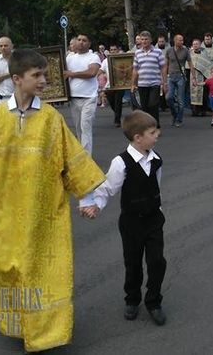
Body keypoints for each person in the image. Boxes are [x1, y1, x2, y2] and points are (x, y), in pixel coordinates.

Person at [0, 49, 105, 352]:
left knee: (42, 272)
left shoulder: (51, 119)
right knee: (2, 268)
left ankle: (46, 333)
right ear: (17, 79)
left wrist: (87, 198)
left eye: (45, 74)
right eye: (36, 75)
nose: (44, 80)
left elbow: (72, 161)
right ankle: (17, 324)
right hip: (5, 212)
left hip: (44, 214)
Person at [79, 110, 168, 326]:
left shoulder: (156, 160)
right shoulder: (121, 162)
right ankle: (132, 299)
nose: (157, 135)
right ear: (138, 138)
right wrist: (95, 206)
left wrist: (158, 206)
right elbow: (108, 188)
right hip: (131, 223)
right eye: (153, 132)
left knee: (157, 262)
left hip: (154, 220)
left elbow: (156, 185)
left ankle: (154, 301)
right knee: (133, 263)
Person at [64, 34, 102, 154]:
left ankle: (86, 158)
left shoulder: (93, 57)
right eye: (79, 40)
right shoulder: (70, 58)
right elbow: (62, 73)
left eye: (84, 40)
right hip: (74, 98)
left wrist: (72, 74)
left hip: (89, 97)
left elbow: (92, 72)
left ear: (89, 43)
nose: (81, 42)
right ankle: (81, 154)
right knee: (78, 128)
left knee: (85, 127)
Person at [131, 31, 166, 127]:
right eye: (142, 39)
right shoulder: (137, 53)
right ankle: (147, 126)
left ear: (150, 40)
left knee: (153, 105)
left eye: (146, 39)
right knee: (144, 106)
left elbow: (163, 67)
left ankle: (155, 125)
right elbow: (135, 69)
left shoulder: (158, 52)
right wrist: (133, 84)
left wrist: (164, 82)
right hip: (142, 84)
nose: (144, 41)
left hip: (154, 83)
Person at [163, 34, 192, 128]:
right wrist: (163, 80)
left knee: (180, 101)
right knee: (168, 97)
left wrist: (194, 77)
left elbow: (191, 64)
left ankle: (179, 120)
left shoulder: (185, 50)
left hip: (181, 77)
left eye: (182, 40)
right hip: (170, 77)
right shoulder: (169, 51)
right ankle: (174, 114)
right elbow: (165, 65)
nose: (182, 42)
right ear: (175, 41)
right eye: (180, 40)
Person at [101, 45, 124, 128]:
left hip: (120, 85)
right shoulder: (105, 61)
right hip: (109, 85)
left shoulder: (122, 59)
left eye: (115, 49)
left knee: (118, 102)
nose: (113, 51)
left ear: (118, 50)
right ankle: (117, 114)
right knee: (112, 102)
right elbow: (101, 70)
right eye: (111, 50)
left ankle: (117, 120)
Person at [189, 38, 211, 117]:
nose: (195, 45)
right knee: (193, 93)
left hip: (203, 76)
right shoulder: (190, 54)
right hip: (192, 76)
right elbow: (186, 65)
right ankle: (194, 111)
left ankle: (203, 110)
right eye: (194, 44)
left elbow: (208, 65)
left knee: (203, 94)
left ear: (199, 45)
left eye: (196, 44)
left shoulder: (204, 54)